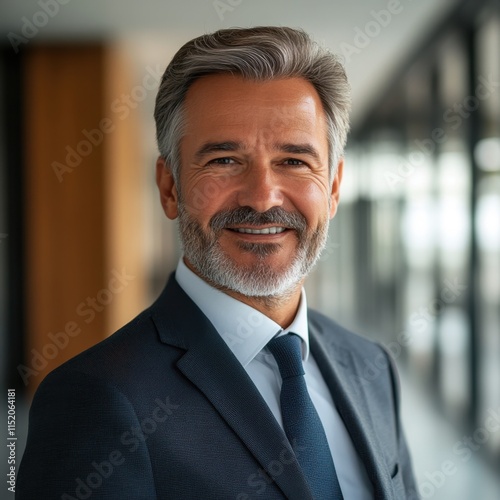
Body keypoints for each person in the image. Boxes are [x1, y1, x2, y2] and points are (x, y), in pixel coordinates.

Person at [17, 26, 417, 499]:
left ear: (332, 188)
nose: (263, 198)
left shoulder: (370, 366)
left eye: (293, 160)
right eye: (225, 160)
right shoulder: (95, 400)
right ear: (170, 188)